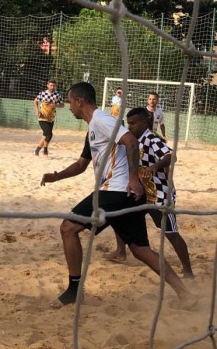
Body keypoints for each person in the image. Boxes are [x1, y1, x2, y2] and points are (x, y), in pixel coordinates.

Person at [41, 82, 196, 310]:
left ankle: (75, 290)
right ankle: (185, 293)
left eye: (70, 101)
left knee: (68, 228)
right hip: (123, 193)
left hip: (116, 189)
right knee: (141, 250)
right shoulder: (93, 127)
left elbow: (131, 142)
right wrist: (56, 176)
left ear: (79, 101)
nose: (69, 106)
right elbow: (81, 165)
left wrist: (133, 178)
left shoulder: (102, 120)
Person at [105, 107, 195, 279]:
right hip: (140, 191)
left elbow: (171, 156)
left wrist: (155, 166)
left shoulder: (152, 139)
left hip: (159, 194)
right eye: (128, 123)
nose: (130, 126)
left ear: (144, 122)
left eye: (133, 123)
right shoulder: (131, 140)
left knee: (171, 233)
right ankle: (120, 251)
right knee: (119, 217)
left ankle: (188, 271)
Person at [33, 79, 64, 156]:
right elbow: (35, 101)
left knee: (45, 135)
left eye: (54, 85)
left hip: (51, 118)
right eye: (51, 85)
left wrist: (56, 105)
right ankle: (45, 151)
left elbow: (62, 105)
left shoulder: (57, 95)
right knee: (49, 135)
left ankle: (37, 151)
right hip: (42, 117)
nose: (52, 87)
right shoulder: (43, 93)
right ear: (47, 85)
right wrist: (36, 110)